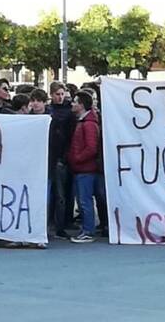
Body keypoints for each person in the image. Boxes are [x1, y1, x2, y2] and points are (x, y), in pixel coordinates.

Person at [67, 91, 101, 243]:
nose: (72, 104)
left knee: (85, 201)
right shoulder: (85, 122)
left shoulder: (88, 124)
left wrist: (76, 159)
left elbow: (91, 148)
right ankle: (87, 229)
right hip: (83, 167)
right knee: (84, 200)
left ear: (81, 105)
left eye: (75, 102)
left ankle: (88, 230)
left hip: (85, 168)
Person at [46, 82, 76, 240]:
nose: (60, 96)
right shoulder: (47, 111)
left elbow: (70, 137)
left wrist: (64, 157)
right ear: (51, 94)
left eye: (62, 94)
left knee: (60, 195)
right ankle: (49, 223)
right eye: (57, 94)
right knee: (50, 194)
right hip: (48, 156)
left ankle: (60, 225)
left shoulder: (69, 113)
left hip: (60, 158)